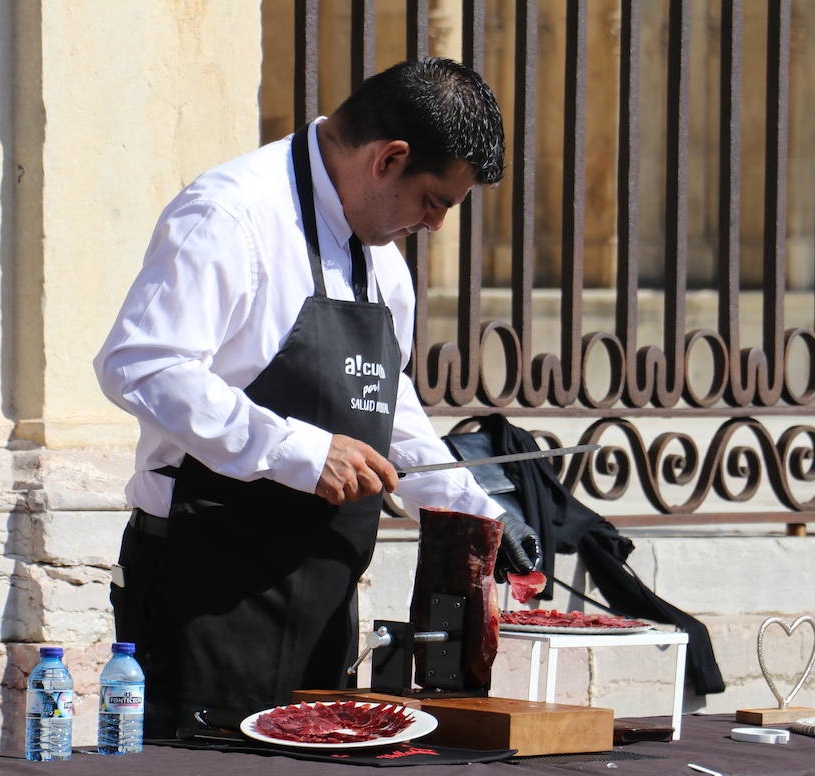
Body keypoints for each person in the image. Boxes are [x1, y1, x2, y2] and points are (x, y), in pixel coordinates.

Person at [95, 57, 540, 737]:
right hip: (205, 589)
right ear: (389, 159)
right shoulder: (231, 212)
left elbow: (385, 398)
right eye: (434, 202)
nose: (435, 226)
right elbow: (141, 364)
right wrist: (294, 450)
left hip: (327, 596)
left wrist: (467, 508)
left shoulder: (382, 261)